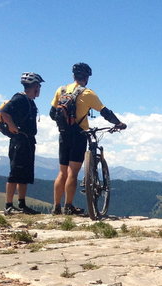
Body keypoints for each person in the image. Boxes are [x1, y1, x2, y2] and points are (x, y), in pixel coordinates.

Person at [50, 62, 126, 215]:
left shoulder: (61, 90)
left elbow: (52, 113)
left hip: (63, 134)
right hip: (79, 135)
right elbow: (105, 112)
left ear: (73, 76)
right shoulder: (88, 94)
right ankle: (69, 206)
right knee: (73, 172)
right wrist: (118, 123)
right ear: (87, 78)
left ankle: (56, 207)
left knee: (62, 172)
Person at [0, 72, 44, 215]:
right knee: (15, 172)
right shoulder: (19, 98)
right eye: (39, 86)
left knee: (25, 174)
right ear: (34, 86)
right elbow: (4, 111)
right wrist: (12, 126)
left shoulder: (29, 101)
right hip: (19, 140)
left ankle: (22, 204)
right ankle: (8, 205)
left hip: (28, 140)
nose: (40, 89)